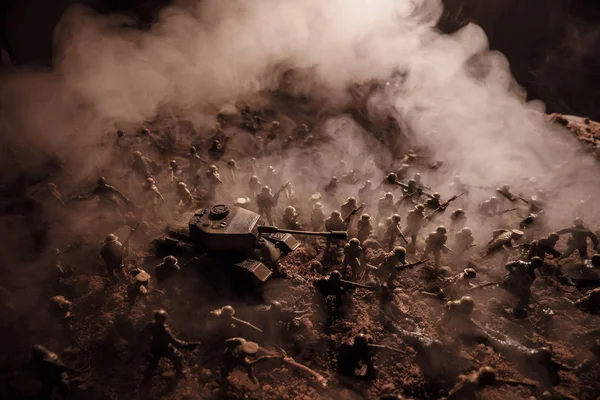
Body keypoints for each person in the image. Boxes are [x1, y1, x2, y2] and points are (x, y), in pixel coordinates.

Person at [140, 310, 199, 385]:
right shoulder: (165, 331)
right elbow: (177, 343)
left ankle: (147, 378)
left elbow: (143, 333)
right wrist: (189, 345)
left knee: (154, 361)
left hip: (154, 347)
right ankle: (179, 374)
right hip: (165, 349)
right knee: (178, 356)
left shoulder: (151, 324)